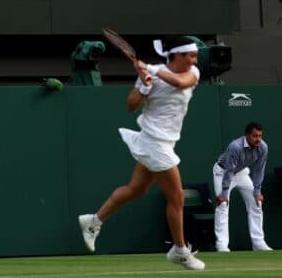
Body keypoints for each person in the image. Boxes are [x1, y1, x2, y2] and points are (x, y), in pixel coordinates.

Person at [78, 36, 206, 271]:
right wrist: (145, 86)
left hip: (165, 142)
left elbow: (179, 83)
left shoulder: (192, 73)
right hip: (153, 142)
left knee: (136, 189)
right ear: (176, 55)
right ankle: (180, 250)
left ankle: (93, 221)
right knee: (177, 198)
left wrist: (152, 70)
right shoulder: (151, 76)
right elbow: (131, 105)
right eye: (191, 55)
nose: (194, 60)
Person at [213, 122, 273, 252]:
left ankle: (258, 243)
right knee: (223, 205)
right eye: (254, 136)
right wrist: (223, 193)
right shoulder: (235, 147)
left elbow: (259, 170)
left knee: (257, 202)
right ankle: (222, 245)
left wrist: (257, 191)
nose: (258, 139)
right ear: (247, 136)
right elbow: (229, 171)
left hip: (241, 172)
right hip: (223, 173)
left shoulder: (263, 147)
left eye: (260, 136)